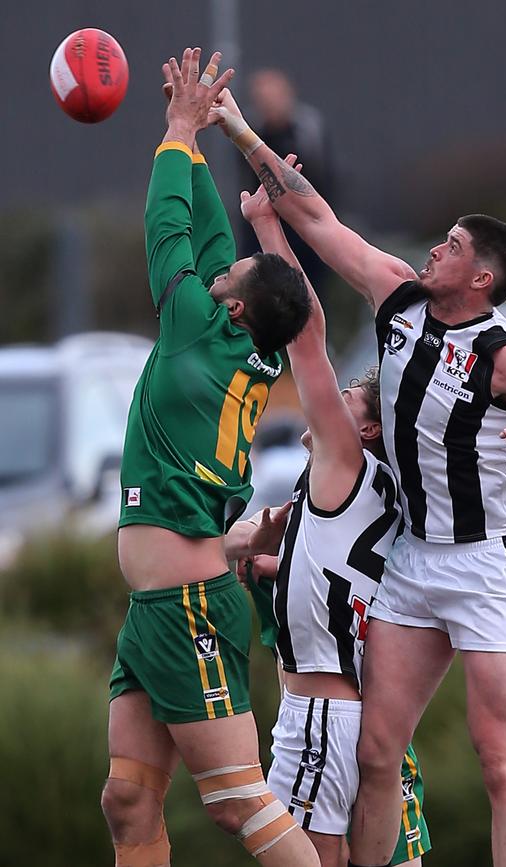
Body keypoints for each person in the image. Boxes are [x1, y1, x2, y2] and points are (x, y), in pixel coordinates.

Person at [213, 91, 506, 867]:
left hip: (492, 561)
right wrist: (236, 126)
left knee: (499, 758)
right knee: (377, 749)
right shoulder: (398, 296)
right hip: (418, 560)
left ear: (483, 276)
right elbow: (318, 218)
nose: (436, 249)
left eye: (453, 245)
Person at [100, 48, 320, 867]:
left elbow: (169, 232)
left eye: (229, 272)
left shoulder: (197, 326)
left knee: (235, 801)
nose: (218, 265)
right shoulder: (240, 341)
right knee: (126, 799)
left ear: (233, 304)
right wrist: (193, 144)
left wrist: (175, 130)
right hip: (155, 612)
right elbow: (210, 231)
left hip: (190, 604)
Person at [226, 167, 431, 867]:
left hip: (320, 711)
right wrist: (278, 566)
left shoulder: (346, 462)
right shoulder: (364, 488)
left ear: (368, 432)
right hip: (340, 711)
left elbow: (305, 334)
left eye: (351, 398)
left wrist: (265, 227)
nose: (334, 399)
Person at [237, 68, 334, 308]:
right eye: (262, 98)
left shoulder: (307, 129)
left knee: (310, 298)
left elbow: (323, 176)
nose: (268, 104)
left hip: (305, 227)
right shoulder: (252, 131)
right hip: (265, 224)